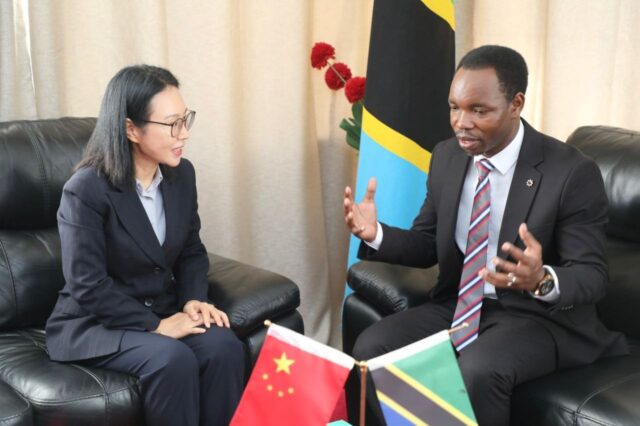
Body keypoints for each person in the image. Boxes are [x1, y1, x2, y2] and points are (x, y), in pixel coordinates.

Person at [343, 45, 628, 426]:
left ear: (516, 104)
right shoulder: (447, 157)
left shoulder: (571, 172)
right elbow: (427, 242)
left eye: (478, 110)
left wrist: (541, 280)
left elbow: (592, 275)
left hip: (537, 317)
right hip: (461, 304)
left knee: (478, 370)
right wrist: (376, 234)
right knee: (373, 346)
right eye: (454, 107)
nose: (461, 122)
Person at [46, 65, 244, 426]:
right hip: (95, 324)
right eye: (172, 124)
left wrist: (193, 299)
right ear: (131, 129)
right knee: (172, 358)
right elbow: (87, 285)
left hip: (161, 309)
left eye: (185, 120)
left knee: (224, 346)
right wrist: (156, 326)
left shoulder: (182, 175)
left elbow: (191, 250)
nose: (184, 133)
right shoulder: (86, 189)